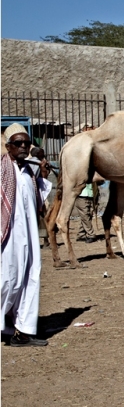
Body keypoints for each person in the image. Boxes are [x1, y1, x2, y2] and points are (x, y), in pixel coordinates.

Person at [1, 123, 48, 347]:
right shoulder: (2, 169)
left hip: (29, 237)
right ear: (8, 147)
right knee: (7, 281)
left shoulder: (29, 171)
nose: (23, 147)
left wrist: (42, 172)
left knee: (30, 279)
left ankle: (22, 332)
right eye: (18, 143)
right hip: (7, 238)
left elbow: (39, 199)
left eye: (26, 144)